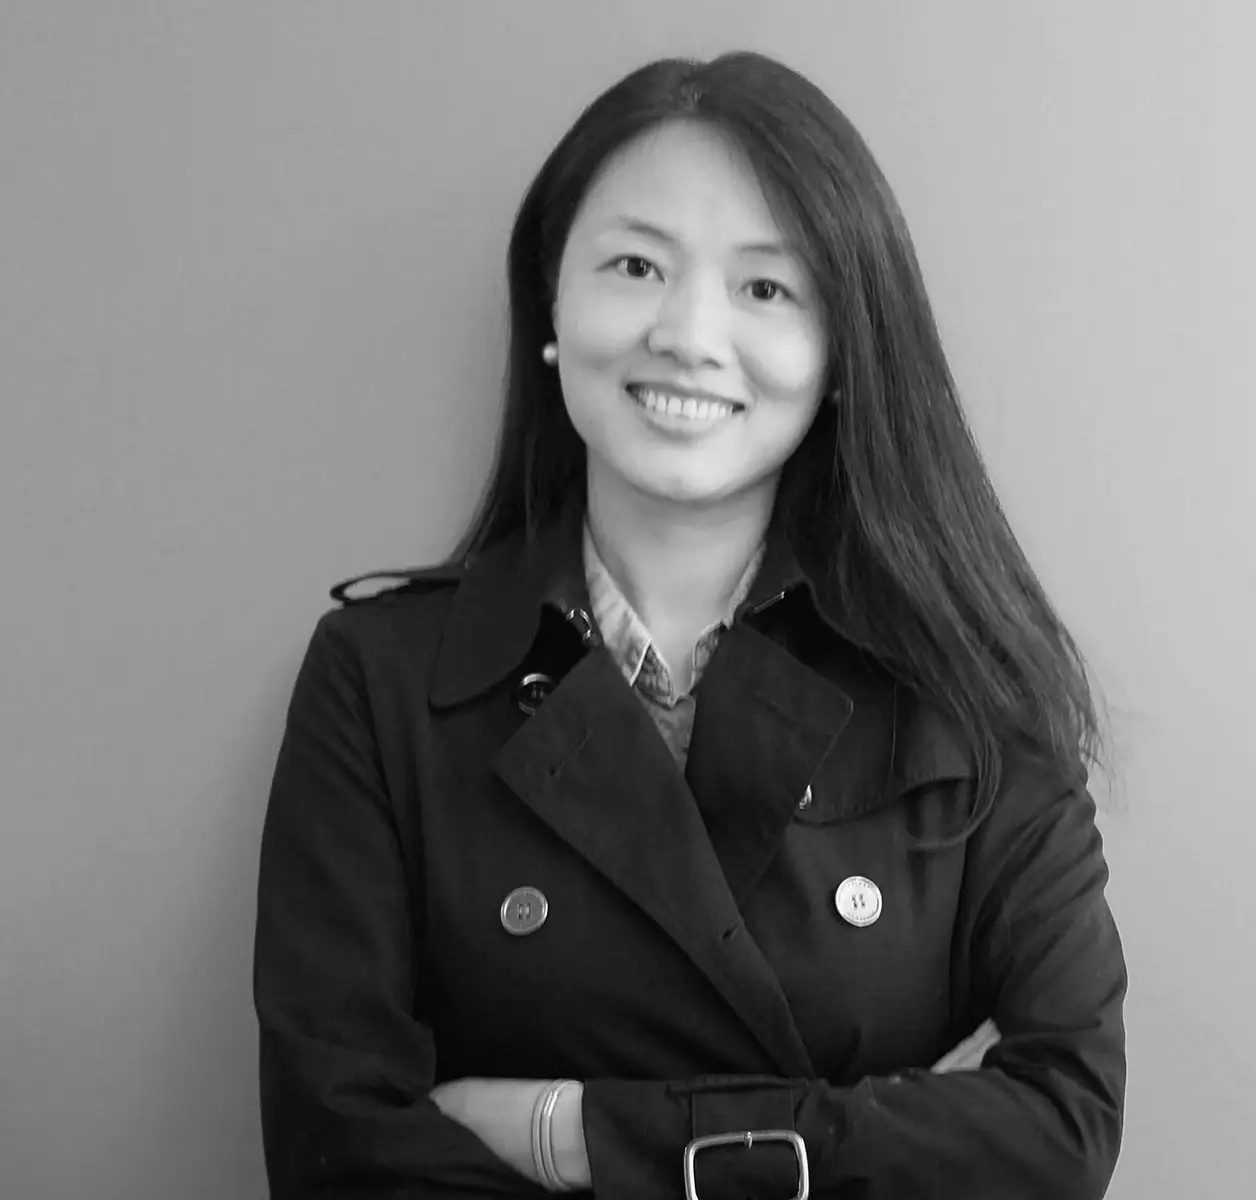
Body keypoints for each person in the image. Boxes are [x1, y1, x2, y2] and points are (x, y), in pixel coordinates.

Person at [253, 50, 1126, 1199]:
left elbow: (1061, 1125)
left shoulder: (966, 680)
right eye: (635, 266)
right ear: (550, 303)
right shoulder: (378, 680)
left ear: (840, 352)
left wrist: (573, 1133)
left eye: (766, 289)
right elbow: (340, 1154)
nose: (688, 333)